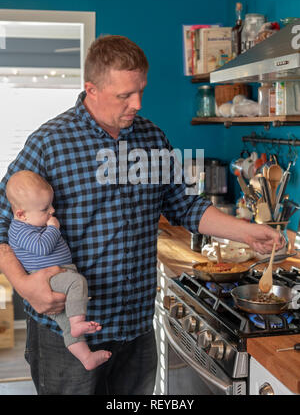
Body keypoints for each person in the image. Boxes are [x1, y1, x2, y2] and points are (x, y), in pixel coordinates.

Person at [0, 35, 284, 395]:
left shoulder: (153, 138)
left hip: (136, 328)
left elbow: (184, 205)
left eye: (141, 91)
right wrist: (24, 286)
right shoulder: (49, 143)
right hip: (69, 333)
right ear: (91, 88)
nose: (137, 104)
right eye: (124, 95)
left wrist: (246, 232)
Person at [6, 170, 111, 371]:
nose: (52, 211)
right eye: (45, 209)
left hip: (59, 274)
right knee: (77, 282)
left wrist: (46, 221)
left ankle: (86, 357)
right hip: (52, 277)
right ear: (21, 214)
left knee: (66, 324)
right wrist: (53, 228)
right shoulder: (19, 230)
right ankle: (79, 322)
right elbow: (42, 248)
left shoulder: (29, 222)